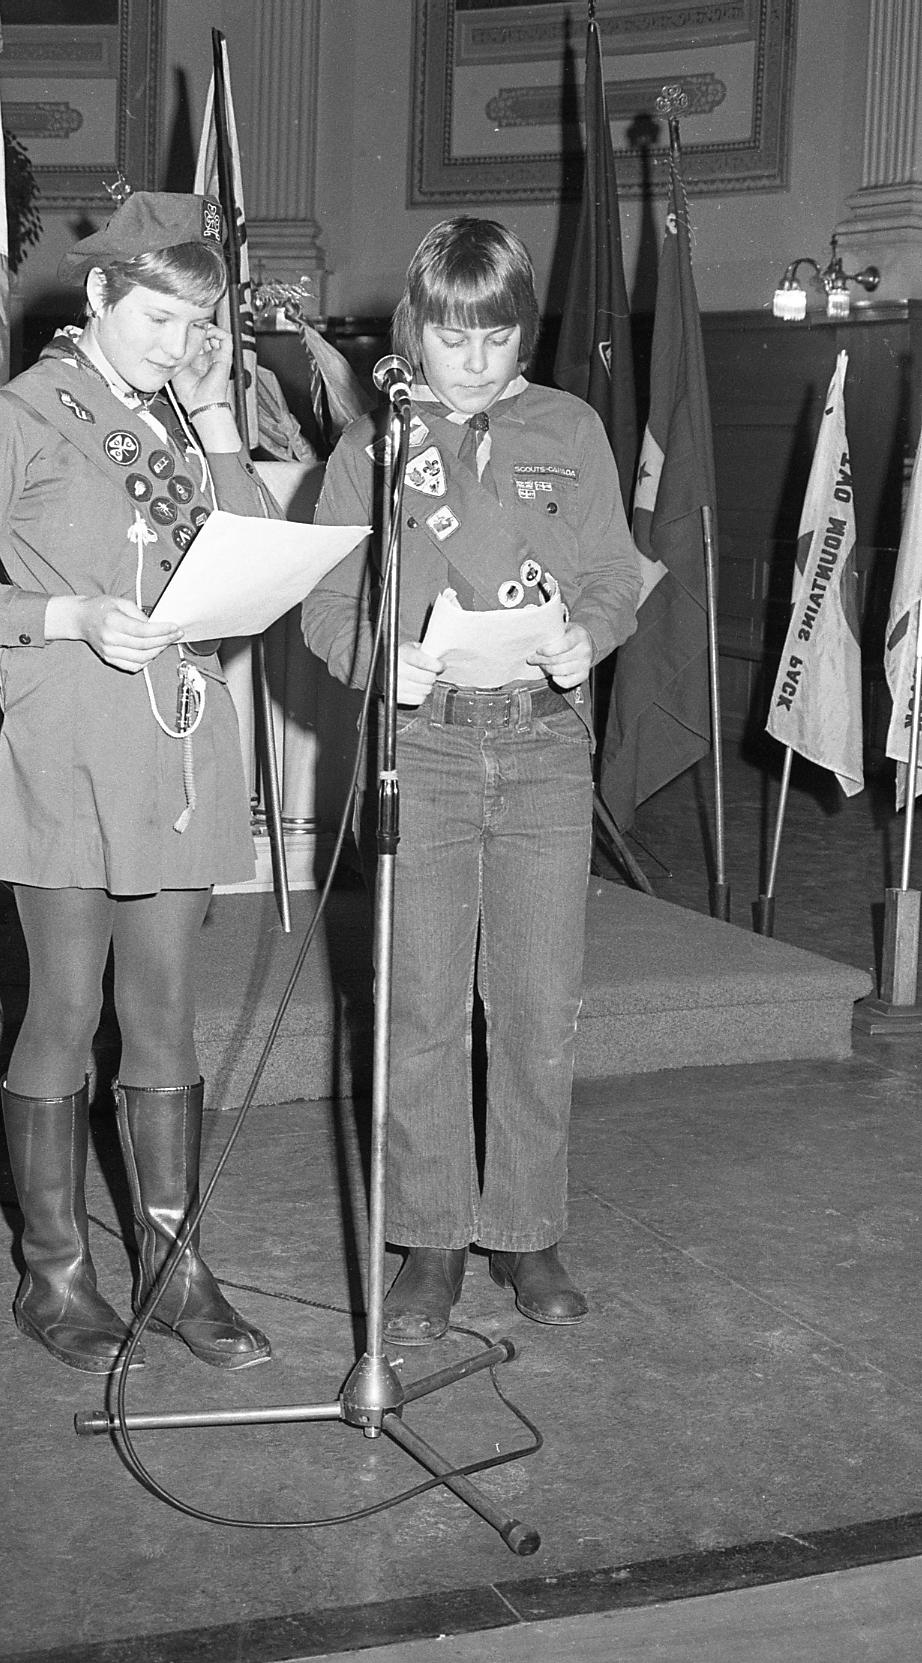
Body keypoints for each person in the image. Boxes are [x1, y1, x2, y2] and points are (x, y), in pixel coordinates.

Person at [0, 192, 275, 1375]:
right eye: (160, 321)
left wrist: (216, 415)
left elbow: (253, 552)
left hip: (174, 747)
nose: (178, 346)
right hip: (66, 751)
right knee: (62, 1014)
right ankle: (54, 1271)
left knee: (163, 1015)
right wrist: (63, 612)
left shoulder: (171, 420)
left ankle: (174, 1270)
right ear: (102, 297)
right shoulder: (19, 418)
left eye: (196, 327)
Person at [303, 217, 641, 1344]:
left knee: (540, 1004)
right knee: (421, 1008)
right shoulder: (375, 448)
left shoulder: (569, 427)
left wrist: (588, 635)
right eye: (451, 336)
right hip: (427, 748)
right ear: (415, 331)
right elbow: (322, 606)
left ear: (521, 334)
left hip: (544, 741)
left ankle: (527, 1228)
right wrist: (376, 657)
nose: (475, 359)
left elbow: (608, 571)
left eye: (495, 335)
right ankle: (432, 1235)